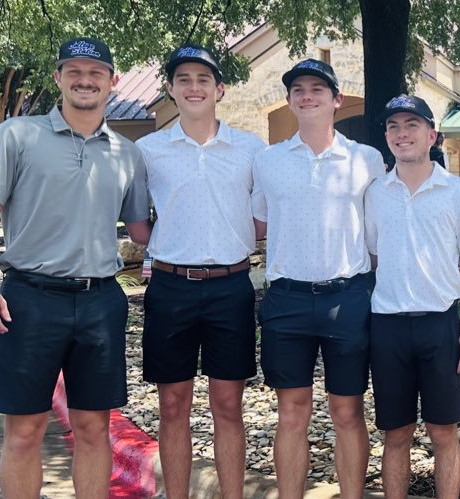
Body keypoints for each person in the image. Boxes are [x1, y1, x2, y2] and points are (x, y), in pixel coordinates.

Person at [0, 37, 152, 498]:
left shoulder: (126, 154)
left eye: (95, 72)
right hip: (29, 300)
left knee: (93, 429)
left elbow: (141, 230)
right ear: (58, 78)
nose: (85, 80)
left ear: (112, 81)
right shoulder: (18, 135)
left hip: (100, 302)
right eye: (74, 71)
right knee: (25, 431)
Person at [135, 44, 266, 499]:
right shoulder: (148, 151)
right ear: (170, 89)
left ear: (220, 89)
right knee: (173, 405)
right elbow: (137, 224)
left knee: (228, 406)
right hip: (170, 288)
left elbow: (264, 217)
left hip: (231, 287)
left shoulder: (251, 149)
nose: (194, 87)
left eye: (203, 80)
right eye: (184, 80)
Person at [251, 58, 385, 499]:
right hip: (286, 300)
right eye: (299, 90)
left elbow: (380, 231)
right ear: (289, 100)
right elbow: (259, 224)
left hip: (347, 298)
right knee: (291, 413)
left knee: (347, 412)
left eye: (317, 89)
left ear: (336, 99)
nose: (307, 96)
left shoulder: (366, 159)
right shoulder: (268, 161)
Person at [365, 94, 460, 499]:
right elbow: (373, 257)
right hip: (387, 327)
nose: (402, 134)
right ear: (386, 136)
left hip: (439, 326)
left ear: (432, 134)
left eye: (412, 125)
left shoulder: (457, 192)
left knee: (443, 431)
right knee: (396, 433)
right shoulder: (375, 193)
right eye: (394, 127)